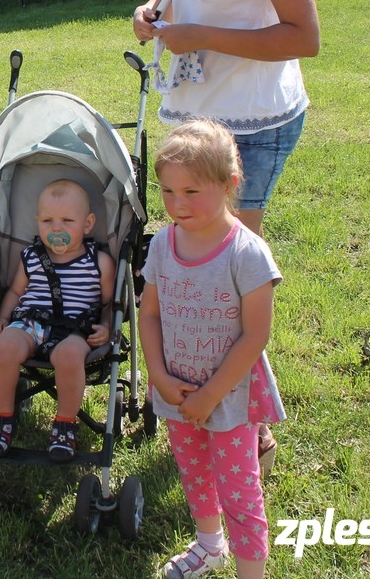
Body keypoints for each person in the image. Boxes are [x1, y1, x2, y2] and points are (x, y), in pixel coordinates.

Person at [131, 0, 318, 476]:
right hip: (200, 113)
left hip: (252, 124)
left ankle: (246, 417)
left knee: (228, 278)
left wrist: (200, 34)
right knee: (195, 271)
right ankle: (213, 401)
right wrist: (156, 8)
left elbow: (306, 35)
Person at [138, 119, 285, 579]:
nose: (177, 205)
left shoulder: (247, 253)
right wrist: (159, 376)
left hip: (230, 398)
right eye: (167, 192)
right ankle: (209, 546)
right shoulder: (162, 245)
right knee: (194, 474)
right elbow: (150, 314)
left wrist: (210, 396)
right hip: (177, 391)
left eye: (192, 192)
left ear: (229, 184)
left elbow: (255, 337)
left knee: (240, 493)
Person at [0, 180, 115, 462]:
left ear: (88, 223)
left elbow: (108, 303)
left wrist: (107, 325)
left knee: (69, 355)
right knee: (4, 347)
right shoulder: (31, 257)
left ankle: (65, 424)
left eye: (67, 220)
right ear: (37, 222)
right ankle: (3, 417)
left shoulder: (99, 262)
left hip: (74, 330)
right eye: (47, 220)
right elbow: (16, 291)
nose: (56, 228)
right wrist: (3, 317)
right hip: (31, 323)